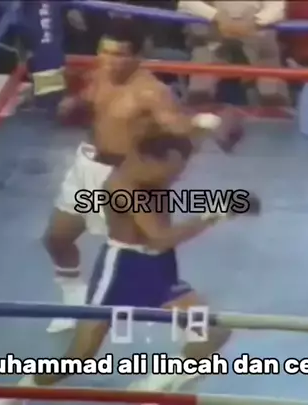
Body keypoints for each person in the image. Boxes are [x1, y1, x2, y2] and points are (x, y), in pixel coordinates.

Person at [0, 135, 260, 405]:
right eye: (171, 171)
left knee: (213, 333)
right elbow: (159, 238)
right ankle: (20, 391)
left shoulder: (156, 172)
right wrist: (214, 214)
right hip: (121, 271)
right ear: (148, 160)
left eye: (180, 171)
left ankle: (150, 389)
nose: (176, 178)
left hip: (159, 270)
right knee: (79, 357)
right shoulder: (121, 188)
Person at [44, 20, 245, 333]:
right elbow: (78, 98)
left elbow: (174, 125)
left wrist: (207, 122)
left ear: (137, 57)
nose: (110, 60)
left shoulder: (152, 92)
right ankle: (74, 298)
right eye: (105, 52)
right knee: (57, 239)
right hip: (86, 166)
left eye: (119, 54)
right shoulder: (97, 73)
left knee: (146, 251)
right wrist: (67, 99)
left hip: (122, 177)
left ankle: (196, 329)